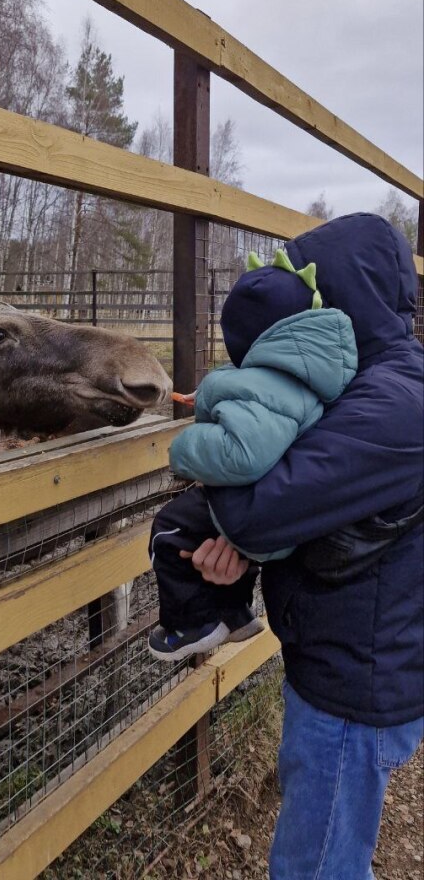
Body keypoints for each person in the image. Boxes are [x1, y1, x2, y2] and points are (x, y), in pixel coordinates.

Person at [159, 213, 423, 880]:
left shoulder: (395, 406)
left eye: (315, 288)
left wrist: (230, 520)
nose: (306, 304)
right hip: (346, 661)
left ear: (350, 293)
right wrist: (245, 548)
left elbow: (260, 509)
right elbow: (317, 509)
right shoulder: (371, 384)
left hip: (354, 684)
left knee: (315, 868)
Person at [148, 247, 359, 660]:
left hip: (256, 504)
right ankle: (236, 612)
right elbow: (256, 397)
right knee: (196, 535)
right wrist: (212, 393)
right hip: (282, 506)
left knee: (167, 532)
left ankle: (190, 624)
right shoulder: (303, 372)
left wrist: (183, 449)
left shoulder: (269, 385)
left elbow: (243, 455)